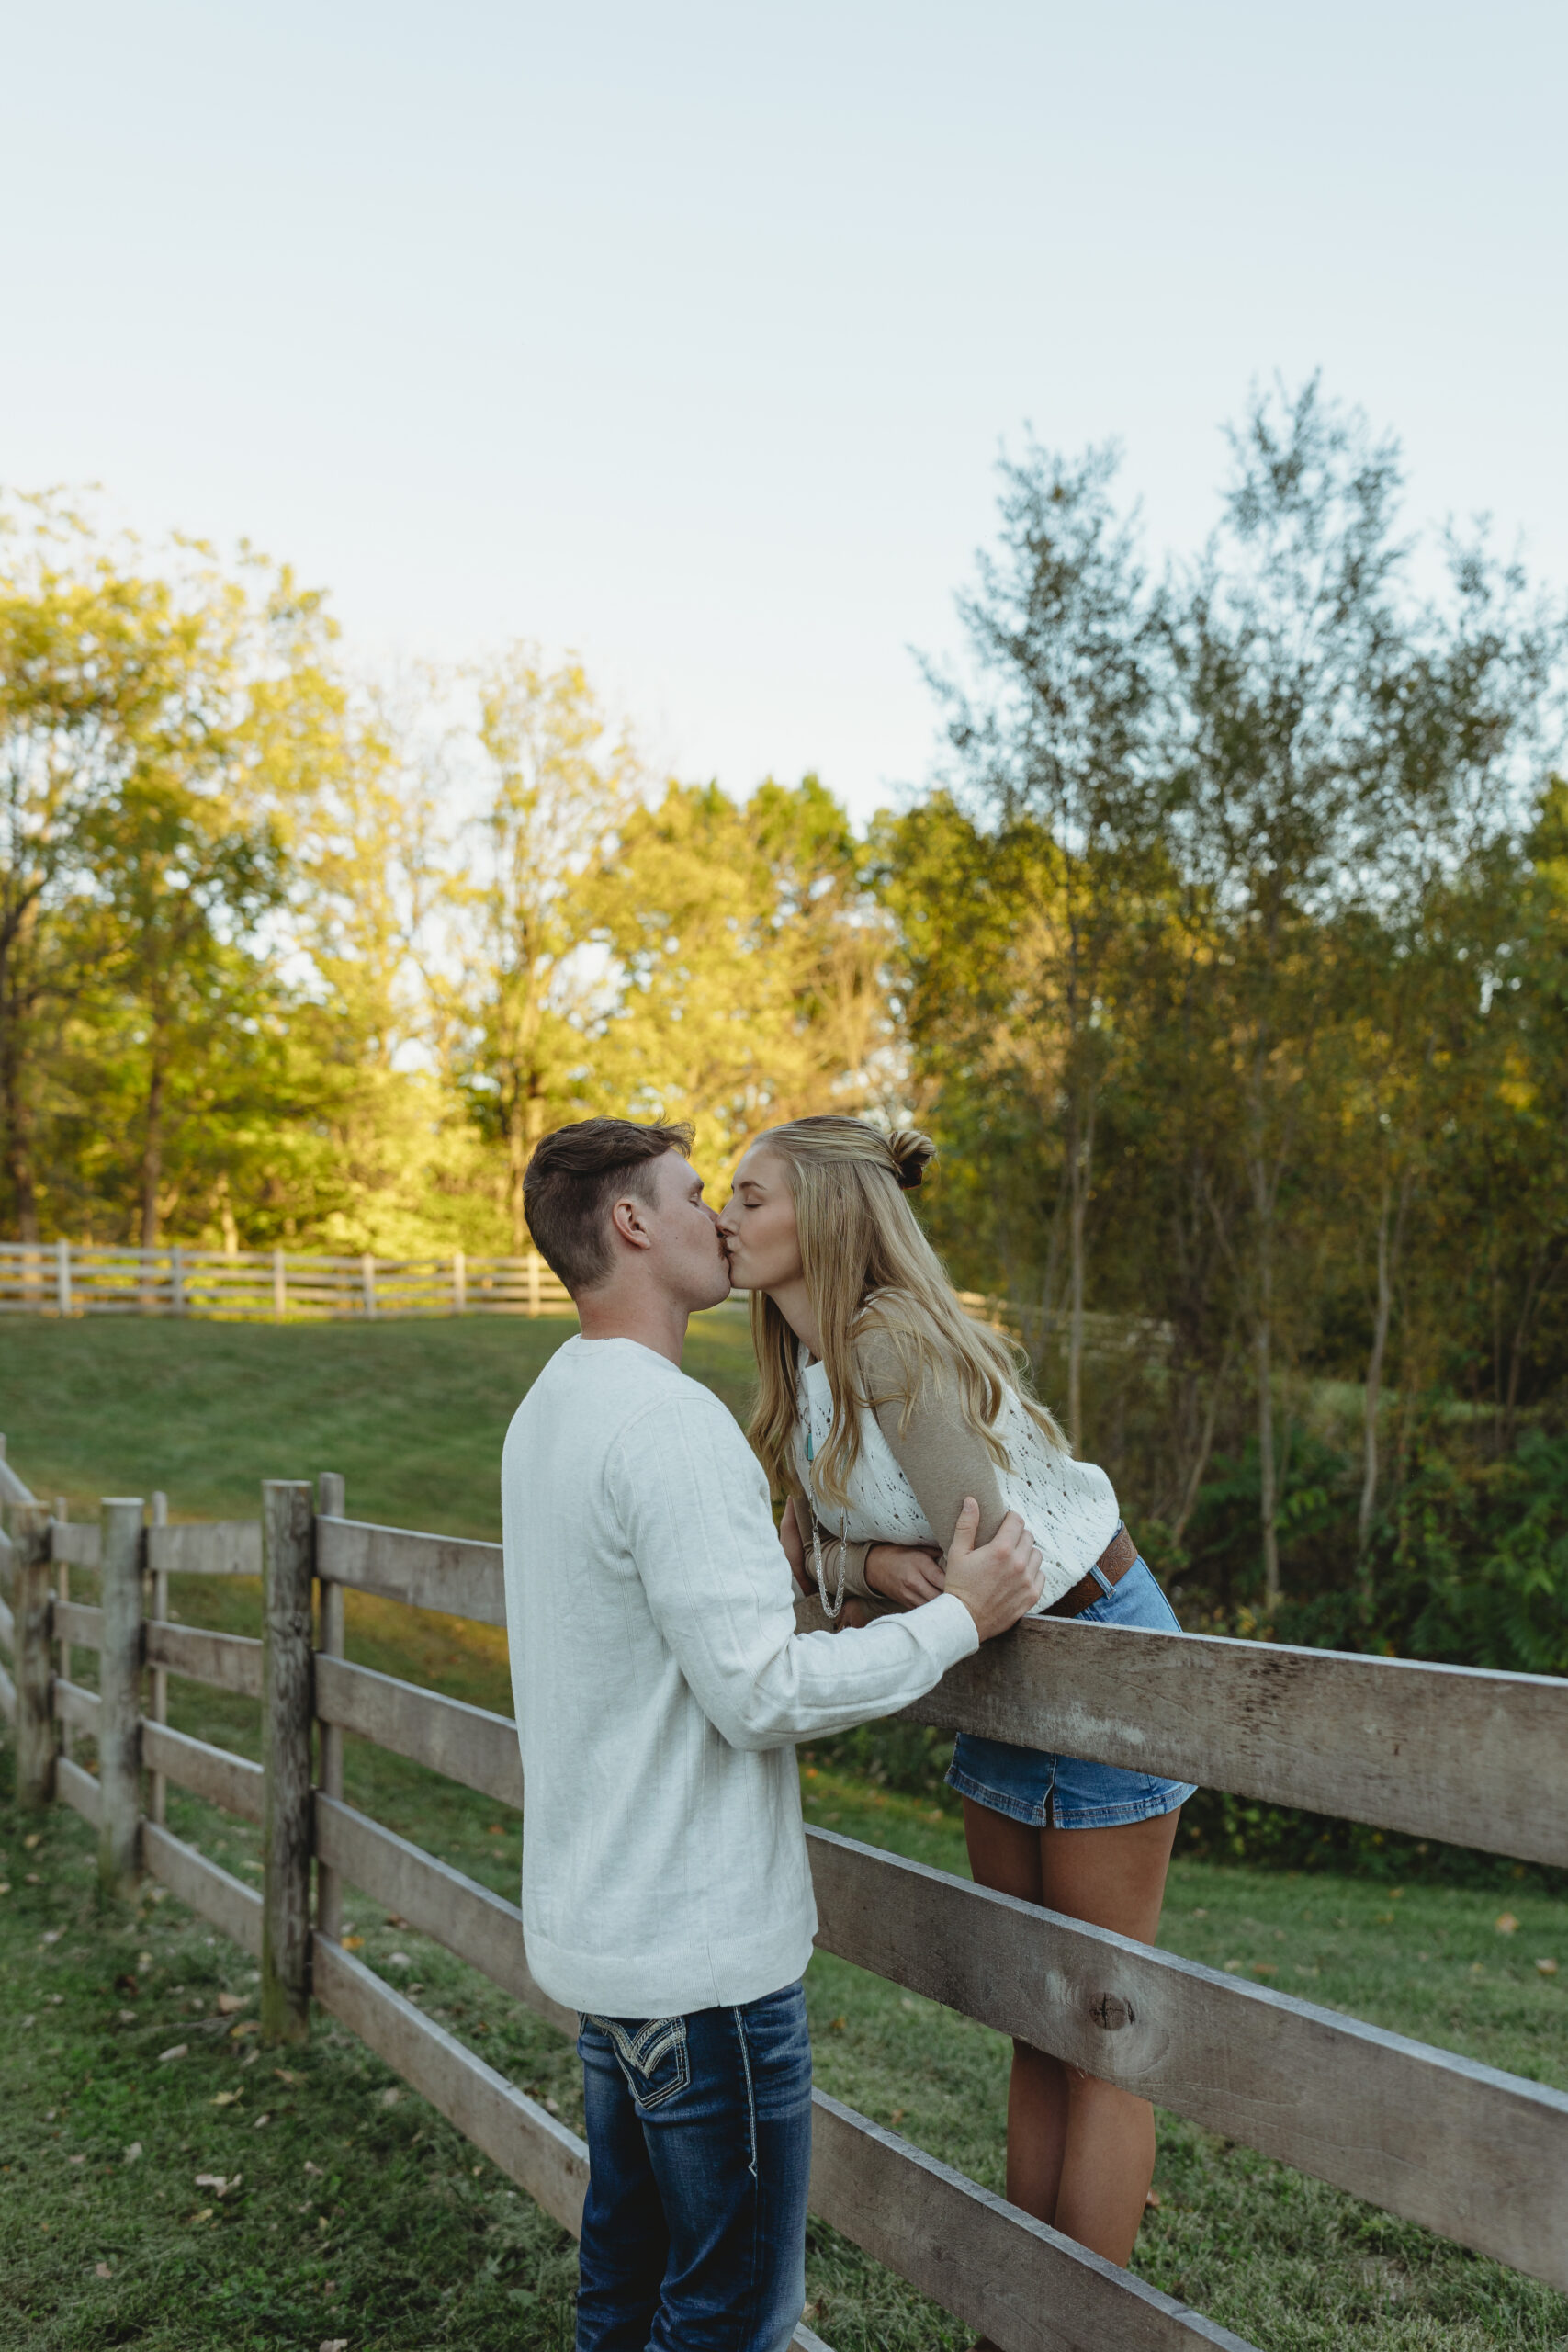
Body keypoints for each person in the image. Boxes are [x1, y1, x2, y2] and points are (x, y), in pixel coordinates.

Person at [501, 1114, 1045, 2352]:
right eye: (697, 1196)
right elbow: (759, 1692)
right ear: (633, 1225)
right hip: (697, 1967)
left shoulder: (550, 1408)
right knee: (732, 2314)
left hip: (607, 1944)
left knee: (623, 2287)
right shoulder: (669, 1427)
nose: (719, 1220)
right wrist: (957, 1618)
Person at [716, 1113, 1196, 2271]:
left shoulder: (887, 1346)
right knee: (1036, 2014)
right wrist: (869, 1567)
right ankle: (1023, 2318)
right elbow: (819, 1565)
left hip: (1094, 1651)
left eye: (746, 1197)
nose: (720, 1219)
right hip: (995, 1674)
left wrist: (848, 1575)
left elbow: (990, 1566)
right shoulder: (805, 1370)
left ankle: (1082, 2323)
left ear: (823, 1218)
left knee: (1099, 2022)